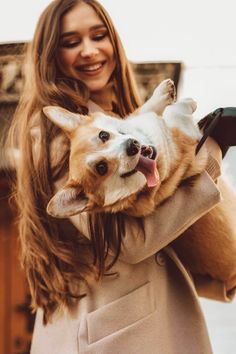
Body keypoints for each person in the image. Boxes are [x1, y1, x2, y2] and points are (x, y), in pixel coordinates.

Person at [8, 0, 236, 353]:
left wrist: (218, 269)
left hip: (135, 320)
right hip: (115, 333)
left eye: (99, 36)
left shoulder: (113, 120)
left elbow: (158, 224)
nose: (89, 50)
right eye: (71, 42)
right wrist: (212, 153)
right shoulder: (60, 136)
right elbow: (128, 244)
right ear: (50, 54)